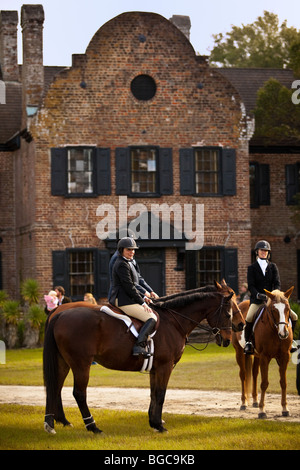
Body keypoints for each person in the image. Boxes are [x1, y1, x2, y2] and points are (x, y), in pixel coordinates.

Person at [244, 240, 298, 354]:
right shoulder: (252, 268)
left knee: (294, 316)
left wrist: (275, 294)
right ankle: (248, 342)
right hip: (258, 300)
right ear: (257, 252)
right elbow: (251, 286)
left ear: (268, 253)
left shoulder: (273, 266)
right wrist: (258, 295)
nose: (264, 252)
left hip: (273, 300)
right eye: (262, 250)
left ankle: (291, 341)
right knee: (249, 317)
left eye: (266, 251)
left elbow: (277, 283)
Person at [109, 237, 158, 357]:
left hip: (127, 297)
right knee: (151, 318)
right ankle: (139, 346)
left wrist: (145, 294)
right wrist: (142, 302)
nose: (132, 252)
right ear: (121, 250)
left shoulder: (128, 262)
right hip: (122, 299)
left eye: (133, 249)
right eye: (128, 249)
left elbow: (136, 283)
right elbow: (129, 287)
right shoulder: (121, 264)